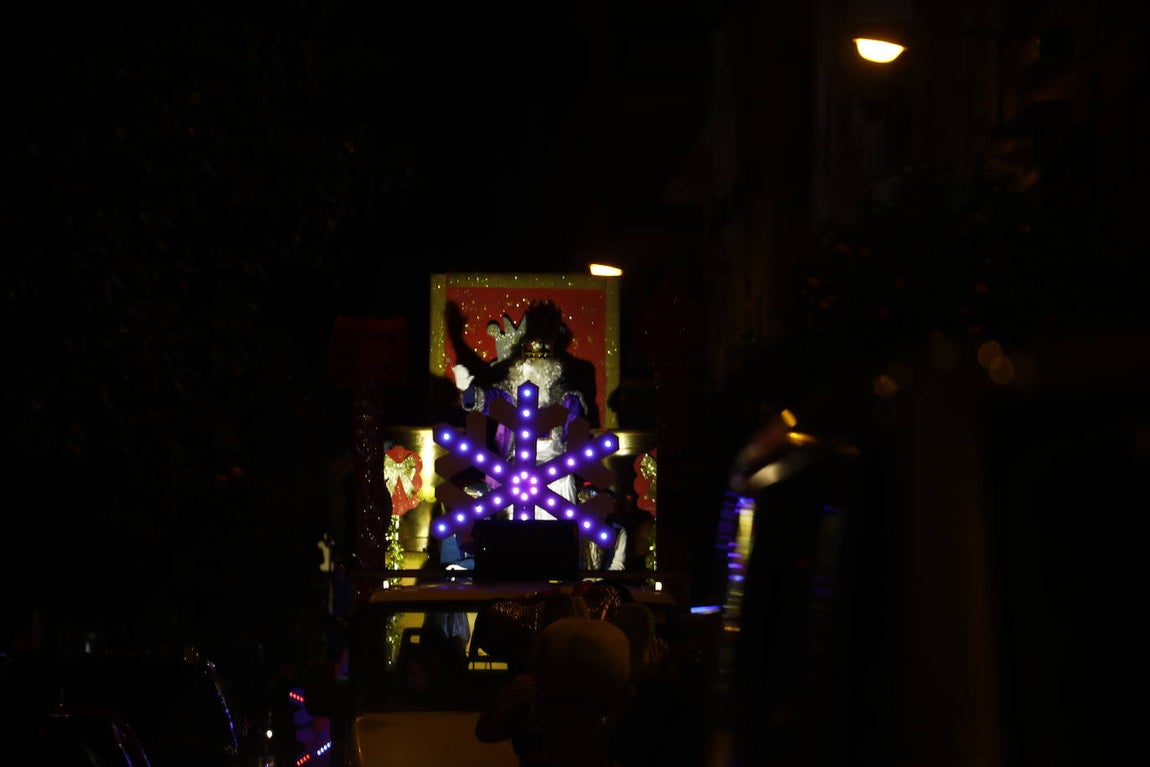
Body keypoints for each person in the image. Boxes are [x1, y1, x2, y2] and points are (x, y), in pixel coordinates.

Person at [451, 300, 594, 522]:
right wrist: (468, 390)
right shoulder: (511, 390)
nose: (531, 368)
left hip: (555, 473)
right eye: (528, 362)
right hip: (515, 470)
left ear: (551, 365)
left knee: (559, 486)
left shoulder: (567, 396)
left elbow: (576, 439)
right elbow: (489, 400)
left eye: (538, 363)